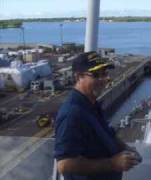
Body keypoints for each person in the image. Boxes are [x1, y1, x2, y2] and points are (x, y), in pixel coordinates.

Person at [54, 51, 141, 180]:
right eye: (96, 75)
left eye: (105, 74)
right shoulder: (72, 114)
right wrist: (112, 164)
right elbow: (64, 164)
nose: (104, 79)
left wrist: (126, 148)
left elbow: (108, 135)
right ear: (78, 77)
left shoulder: (91, 104)